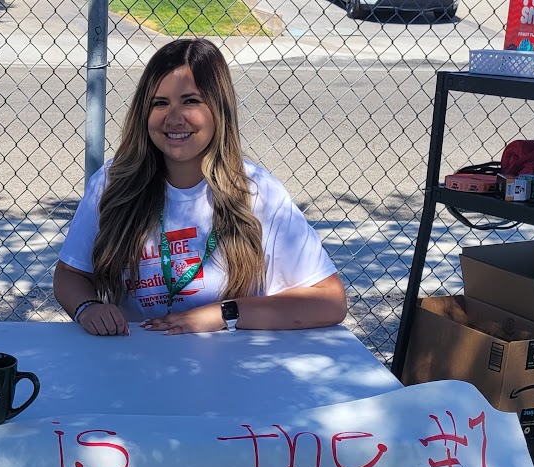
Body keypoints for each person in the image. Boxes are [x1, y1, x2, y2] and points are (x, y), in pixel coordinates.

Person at [54, 38, 347, 337]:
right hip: (135, 360)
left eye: (191, 101)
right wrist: (87, 307)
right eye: (160, 103)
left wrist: (223, 313)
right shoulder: (113, 182)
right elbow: (69, 274)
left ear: (218, 109)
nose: (174, 117)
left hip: (232, 367)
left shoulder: (258, 192)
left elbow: (329, 300)